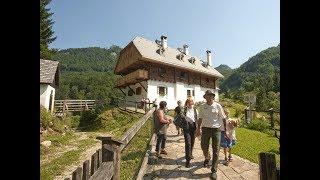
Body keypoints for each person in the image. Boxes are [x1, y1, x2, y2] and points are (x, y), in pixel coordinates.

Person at [196, 90, 227, 180]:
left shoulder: (218, 106)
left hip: (216, 130)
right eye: (207, 95)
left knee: (216, 150)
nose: (209, 97)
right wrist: (198, 129)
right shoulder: (202, 106)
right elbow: (200, 118)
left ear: (213, 97)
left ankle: (214, 171)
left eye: (210, 96)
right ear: (205, 97)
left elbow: (223, 117)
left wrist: (224, 130)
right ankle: (208, 156)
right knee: (203, 146)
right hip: (205, 129)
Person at [182, 97, 198, 168]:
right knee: (188, 143)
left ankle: (190, 154)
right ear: (187, 103)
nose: (190, 103)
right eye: (189, 102)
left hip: (193, 127)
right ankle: (187, 160)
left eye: (191, 102)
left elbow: (197, 119)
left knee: (192, 142)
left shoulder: (195, 110)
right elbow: (181, 118)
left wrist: (198, 128)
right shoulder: (184, 110)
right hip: (186, 127)